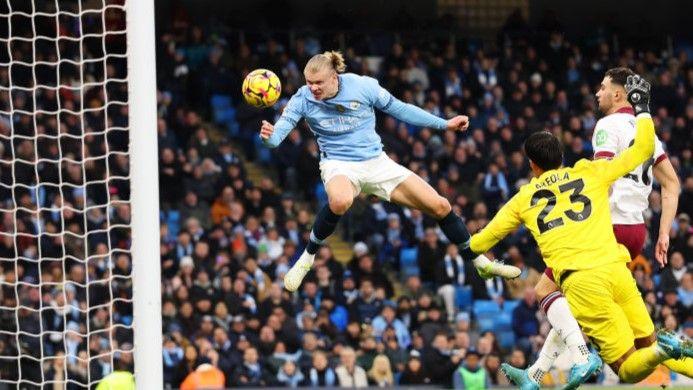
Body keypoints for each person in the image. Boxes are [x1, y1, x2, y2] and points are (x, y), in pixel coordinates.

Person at [468, 75, 692, 389]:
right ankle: (535, 374)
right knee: (639, 336)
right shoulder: (599, 164)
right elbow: (666, 177)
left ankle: (580, 356)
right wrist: (644, 110)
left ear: (532, 165)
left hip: (601, 236)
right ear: (562, 156)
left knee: (550, 295)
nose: (596, 91)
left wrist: (460, 239)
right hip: (630, 236)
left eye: (602, 87)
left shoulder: (602, 129)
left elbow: (479, 241)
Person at [259, 50, 520, 292]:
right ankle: (307, 258)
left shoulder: (363, 86)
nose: (312, 88)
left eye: (318, 83)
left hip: (377, 163)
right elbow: (277, 136)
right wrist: (269, 136)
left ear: (334, 77)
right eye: (309, 82)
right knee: (340, 200)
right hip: (339, 164)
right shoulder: (302, 99)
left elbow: (401, 109)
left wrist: (444, 124)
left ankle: (480, 263)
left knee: (440, 206)